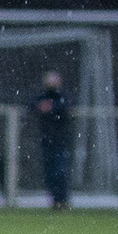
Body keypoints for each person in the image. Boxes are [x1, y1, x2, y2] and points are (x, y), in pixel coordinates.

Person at [34, 71, 73, 209]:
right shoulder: (41, 96)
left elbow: (66, 105)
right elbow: (31, 104)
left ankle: (62, 199)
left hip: (60, 142)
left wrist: (52, 107)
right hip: (46, 141)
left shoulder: (62, 97)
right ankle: (55, 200)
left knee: (60, 171)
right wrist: (41, 106)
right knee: (49, 173)